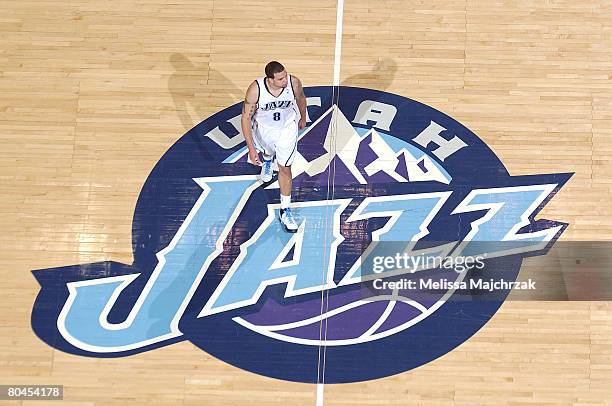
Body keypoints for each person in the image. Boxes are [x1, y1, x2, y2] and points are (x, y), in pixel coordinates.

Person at [241, 61, 307, 233]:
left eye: (285, 75)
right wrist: (251, 148)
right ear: (270, 79)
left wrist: (303, 117)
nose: (285, 80)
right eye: (280, 79)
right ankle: (268, 160)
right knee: (268, 152)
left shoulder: (293, 83)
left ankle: (285, 210)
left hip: (286, 130)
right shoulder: (256, 90)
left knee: (285, 168)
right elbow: (246, 118)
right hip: (264, 130)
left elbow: (301, 98)